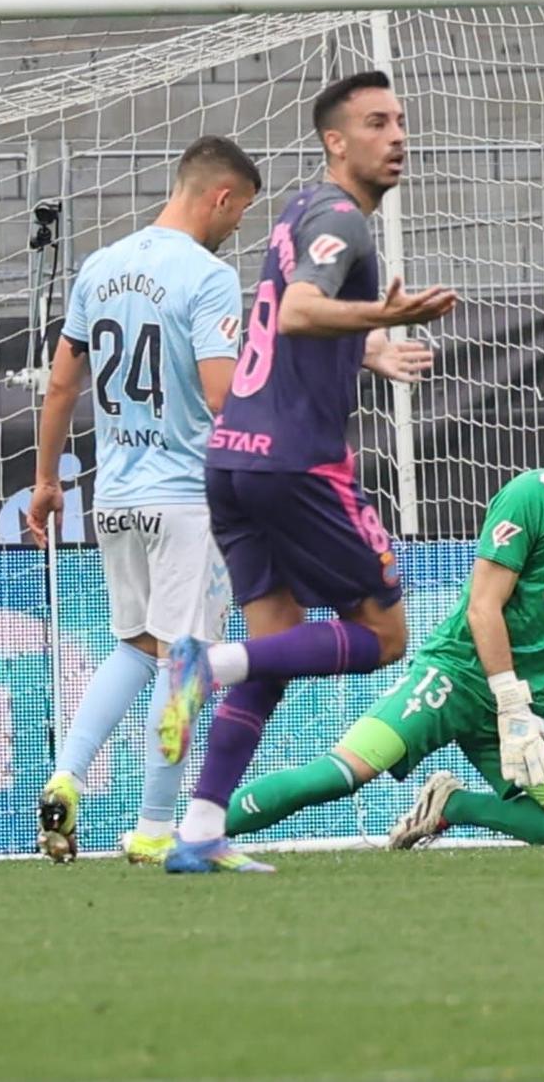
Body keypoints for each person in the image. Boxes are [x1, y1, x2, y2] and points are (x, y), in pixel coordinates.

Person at [161, 71, 456, 874]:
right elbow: (296, 310)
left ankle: (198, 829)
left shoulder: (297, 211)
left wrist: (362, 346)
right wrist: (383, 315)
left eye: (400, 120)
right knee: (385, 636)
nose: (397, 136)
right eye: (375, 122)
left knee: (279, 645)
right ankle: (203, 664)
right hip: (298, 464)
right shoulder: (341, 218)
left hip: (232, 459)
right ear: (335, 141)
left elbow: (276, 323)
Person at [220, 391, 544, 853]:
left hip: (527, 707)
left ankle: (452, 805)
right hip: (455, 676)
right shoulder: (533, 496)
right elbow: (483, 607)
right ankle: (189, 833)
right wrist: (509, 704)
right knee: (341, 774)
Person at [27, 138, 261, 863]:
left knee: (133, 647)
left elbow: (62, 383)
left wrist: (46, 479)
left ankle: (65, 775)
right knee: (184, 663)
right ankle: (157, 825)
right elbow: (225, 396)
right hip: (187, 498)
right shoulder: (210, 276)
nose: (238, 228)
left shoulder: (99, 266)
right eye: (241, 212)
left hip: (116, 495)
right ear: (220, 196)